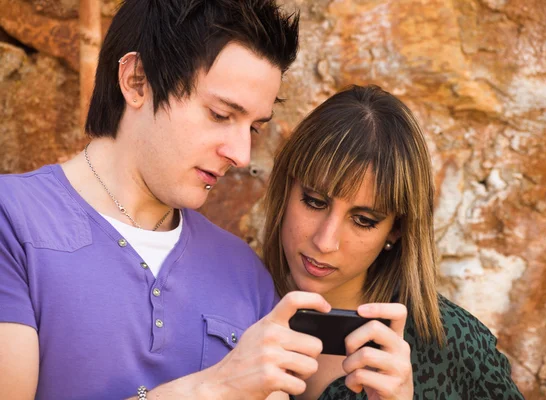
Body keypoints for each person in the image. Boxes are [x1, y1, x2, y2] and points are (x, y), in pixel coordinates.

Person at [0, 1, 333, 399]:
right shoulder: (13, 222)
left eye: (254, 128)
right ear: (137, 81)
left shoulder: (246, 274)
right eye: (220, 114)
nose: (241, 155)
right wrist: (214, 388)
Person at [262, 85, 525, 399]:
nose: (326, 241)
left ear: (396, 229)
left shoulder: (453, 344)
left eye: (363, 220)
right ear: (287, 188)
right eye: (315, 201)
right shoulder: (224, 309)